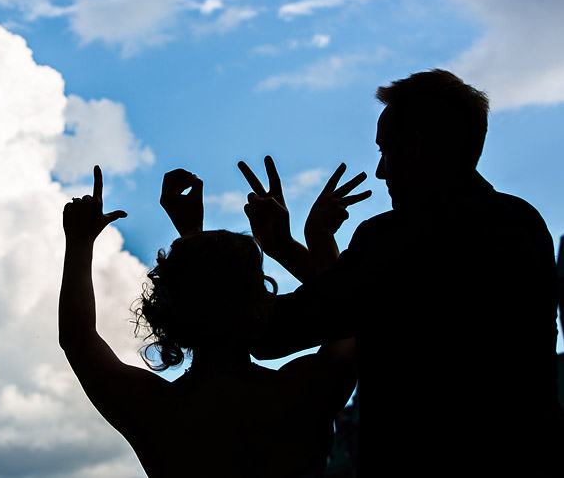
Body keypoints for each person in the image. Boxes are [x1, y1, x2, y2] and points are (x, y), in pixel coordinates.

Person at [238, 69, 563, 476]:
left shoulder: (393, 239)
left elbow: (275, 333)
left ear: (419, 149)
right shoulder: (524, 224)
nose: (380, 172)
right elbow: (363, 302)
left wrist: (209, 256)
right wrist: (292, 247)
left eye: (385, 151)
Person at [59, 165, 365, 477]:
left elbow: (78, 338)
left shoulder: (158, 410)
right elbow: (348, 316)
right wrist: (305, 242)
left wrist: (80, 242)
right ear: (260, 303)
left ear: (168, 312)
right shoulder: (300, 393)